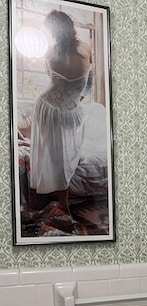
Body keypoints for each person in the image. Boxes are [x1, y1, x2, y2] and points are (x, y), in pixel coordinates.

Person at [29, 10, 92, 220]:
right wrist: (77, 100)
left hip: (58, 107)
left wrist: (75, 101)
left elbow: (59, 81)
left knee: (59, 150)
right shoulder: (83, 49)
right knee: (54, 152)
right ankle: (61, 201)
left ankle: (60, 198)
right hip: (57, 108)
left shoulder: (52, 54)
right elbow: (85, 84)